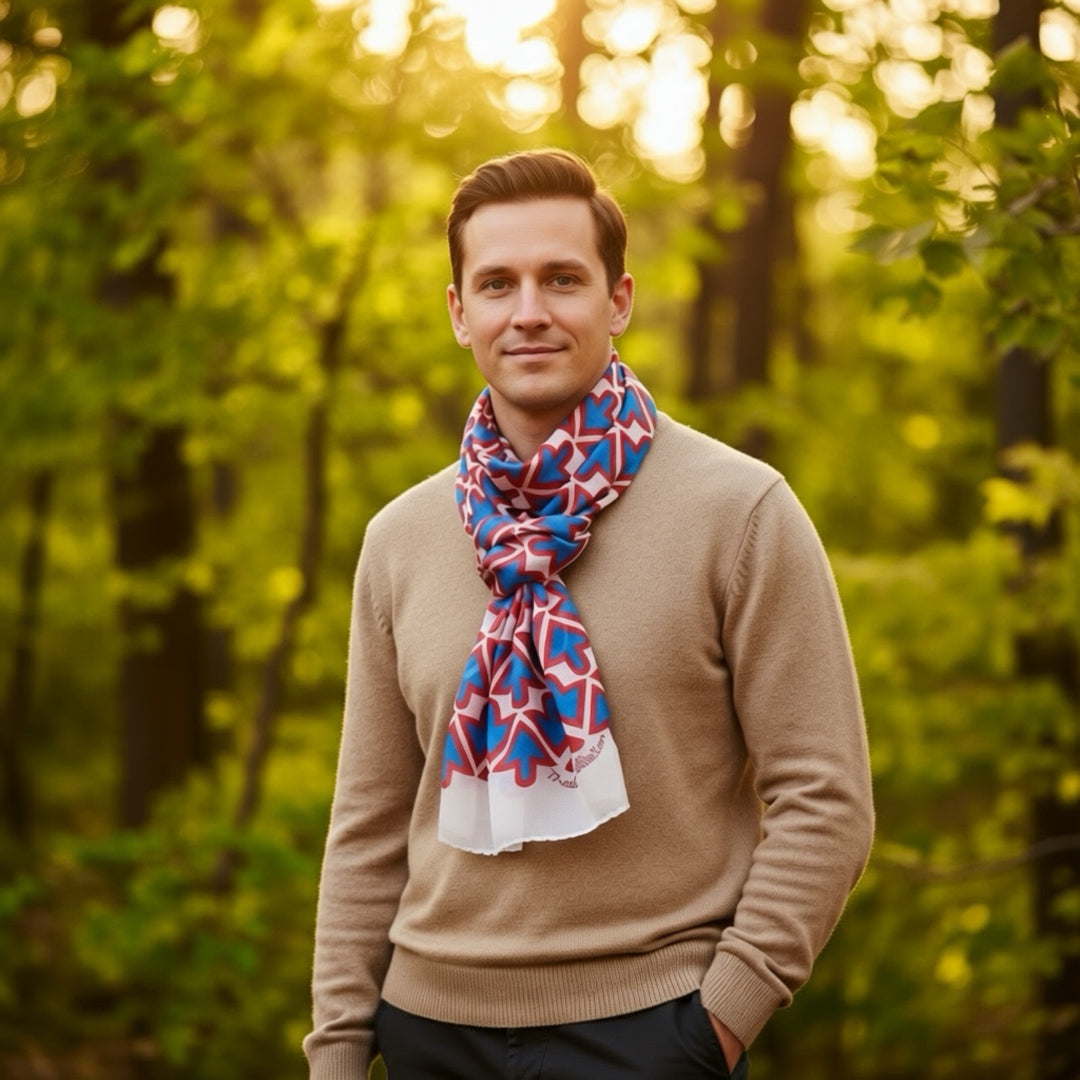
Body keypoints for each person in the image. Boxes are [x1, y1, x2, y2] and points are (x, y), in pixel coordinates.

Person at [303, 148, 874, 1080]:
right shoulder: (401, 538)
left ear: (618, 301)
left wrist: (717, 1024)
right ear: (459, 313)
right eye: (496, 283)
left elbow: (827, 800)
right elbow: (366, 826)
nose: (528, 310)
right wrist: (335, 1055)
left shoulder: (739, 511)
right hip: (426, 1033)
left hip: (649, 1031)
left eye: (561, 278)